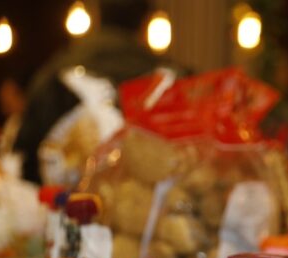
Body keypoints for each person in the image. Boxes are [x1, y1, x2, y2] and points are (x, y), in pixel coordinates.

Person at [13, 0, 175, 183]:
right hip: (145, 198)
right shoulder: (167, 79)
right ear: (146, 21)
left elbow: (24, 157)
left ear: (97, 14)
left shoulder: (54, 74)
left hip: (60, 198)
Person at [0, 74, 28, 156]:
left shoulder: (39, 114)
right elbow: (4, 151)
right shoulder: (12, 123)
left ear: (20, 97)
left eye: (8, 105)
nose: (4, 111)